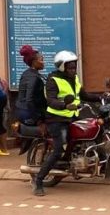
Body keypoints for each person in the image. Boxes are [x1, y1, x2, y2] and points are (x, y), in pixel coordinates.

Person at [33, 50, 101, 196]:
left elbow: (83, 95)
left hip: (72, 116)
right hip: (56, 119)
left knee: (94, 133)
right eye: (70, 67)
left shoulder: (74, 78)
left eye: (74, 66)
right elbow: (50, 100)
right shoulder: (53, 80)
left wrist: (100, 97)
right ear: (62, 67)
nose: (73, 69)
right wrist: (64, 105)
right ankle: (38, 181)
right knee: (58, 150)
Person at [15, 45, 46, 126]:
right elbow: (29, 99)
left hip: (22, 110)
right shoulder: (33, 77)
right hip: (28, 112)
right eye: (41, 60)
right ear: (34, 62)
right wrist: (37, 117)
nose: (43, 62)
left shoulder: (28, 73)